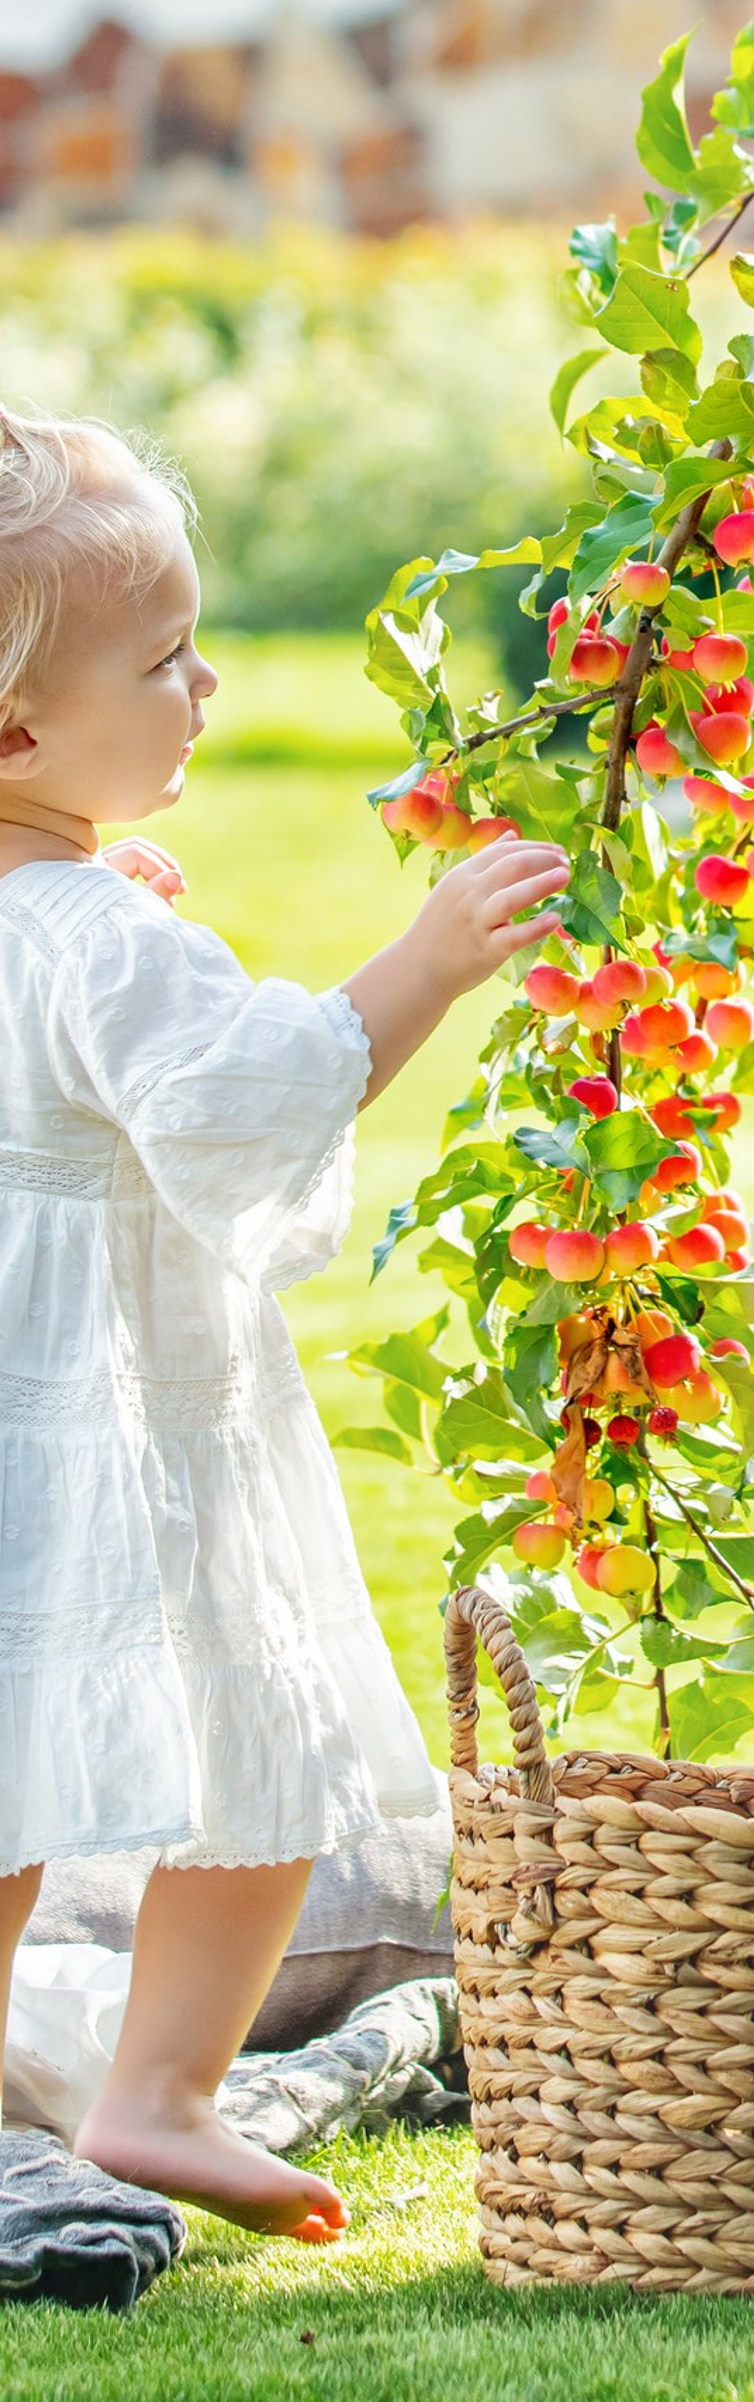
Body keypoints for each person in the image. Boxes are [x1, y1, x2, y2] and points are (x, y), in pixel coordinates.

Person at [0, 411, 568, 2243]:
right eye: (165, 660)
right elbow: (250, 1096)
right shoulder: (94, 932)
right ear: (16, 732)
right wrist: (429, 961)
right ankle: (161, 2093)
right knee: (262, 1743)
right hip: (136, 1423)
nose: (208, 680)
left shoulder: (70, 911)